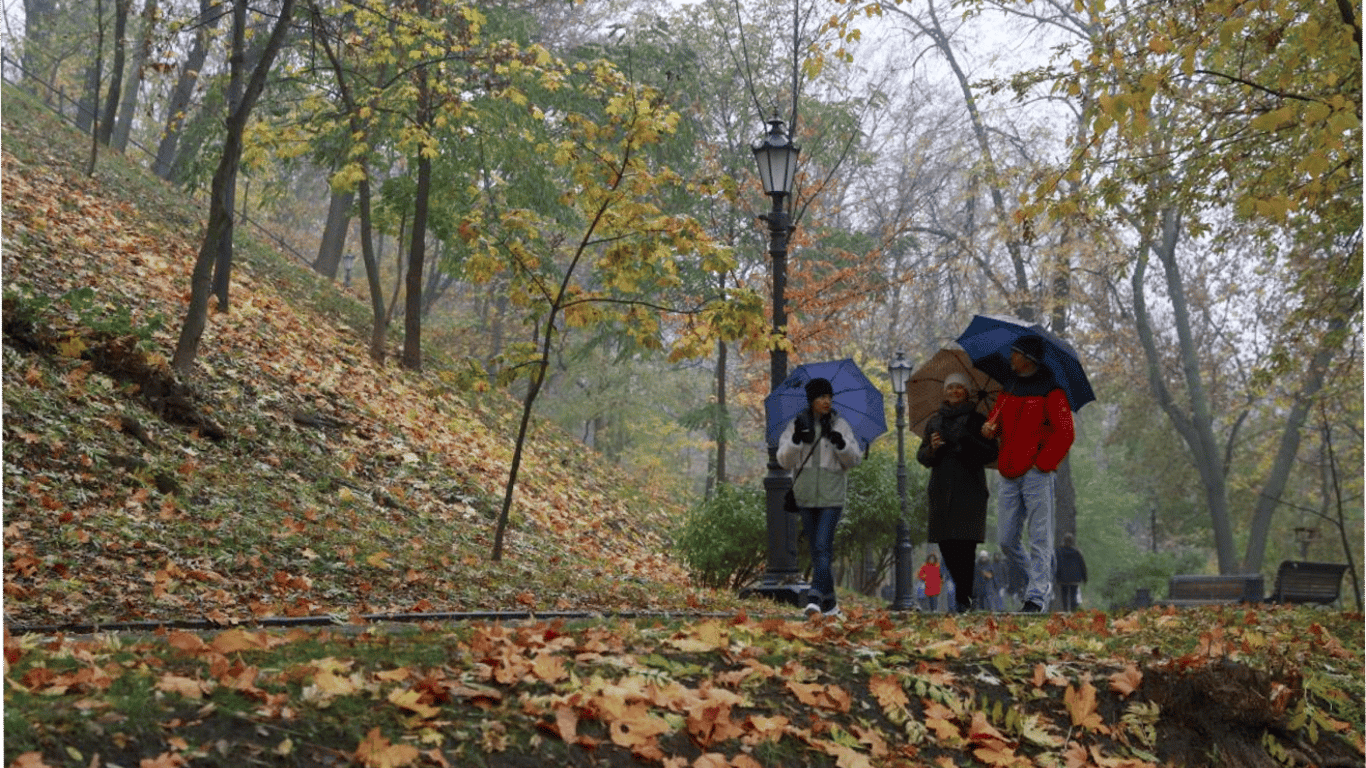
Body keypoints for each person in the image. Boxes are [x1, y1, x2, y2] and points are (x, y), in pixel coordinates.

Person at [981, 334, 1075, 613]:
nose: (1011, 357)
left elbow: (1065, 434)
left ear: (1028, 358)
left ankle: (1036, 596)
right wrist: (989, 429)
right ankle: (1037, 580)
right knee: (1007, 541)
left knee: (1040, 537)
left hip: (1037, 473)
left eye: (1015, 353)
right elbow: (996, 423)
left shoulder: (1052, 391)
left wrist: (1042, 464)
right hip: (1007, 472)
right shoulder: (1008, 388)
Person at [777, 377, 863, 618]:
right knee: (817, 552)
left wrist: (841, 444)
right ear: (811, 400)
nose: (826, 401)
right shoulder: (797, 424)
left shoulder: (840, 425)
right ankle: (832, 606)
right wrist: (795, 441)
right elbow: (784, 461)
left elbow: (854, 459)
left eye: (829, 397)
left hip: (832, 496)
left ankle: (814, 597)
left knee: (823, 547)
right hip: (804, 495)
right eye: (821, 397)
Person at [916, 371, 1001, 613]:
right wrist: (932, 449)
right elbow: (921, 457)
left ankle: (964, 599)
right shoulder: (934, 421)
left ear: (967, 392)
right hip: (941, 490)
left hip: (969, 490)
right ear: (944, 392)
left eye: (959, 387)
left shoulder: (978, 420)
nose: (954, 391)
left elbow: (991, 453)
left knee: (965, 547)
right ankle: (966, 594)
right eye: (950, 387)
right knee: (946, 545)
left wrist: (969, 440)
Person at [1054, 532, 1088, 612]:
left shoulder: (1059, 552)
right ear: (1072, 541)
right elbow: (1082, 565)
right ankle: (1073, 611)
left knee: (1064, 596)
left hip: (1063, 578)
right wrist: (1084, 577)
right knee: (1073, 595)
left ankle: (1066, 611)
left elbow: (1056, 565)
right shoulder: (1077, 552)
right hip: (1074, 578)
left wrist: (1056, 577)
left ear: (1064, 541)